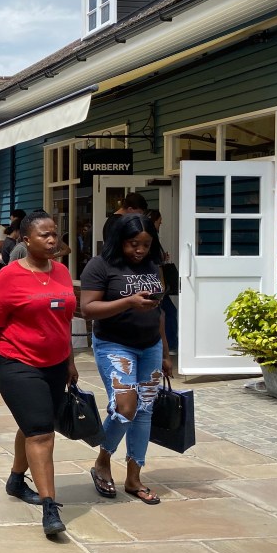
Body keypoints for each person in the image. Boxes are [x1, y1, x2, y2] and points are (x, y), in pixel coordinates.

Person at [0, 210, 78, 537]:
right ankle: (50, 506)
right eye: (44, 235)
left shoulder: (63, 273)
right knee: (42, 432)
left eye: (54, 233)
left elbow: (64, 321)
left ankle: (15, 479)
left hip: (55, 364)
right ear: (26, 240)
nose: (52, 240)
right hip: (17, 362)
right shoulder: (9, 277)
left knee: (33, 424)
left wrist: (70, 361)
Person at [81, 213, 172, 505]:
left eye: (145, 244)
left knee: (144, 409)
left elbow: (159, 311)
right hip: (114, 345)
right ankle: (102, 460)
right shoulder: (100, 265)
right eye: (134, 244)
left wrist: (166, 352)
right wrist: (128, 302)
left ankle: (134, 476)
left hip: (150, 346)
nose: (140, 250)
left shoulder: (152, 265)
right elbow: (89, 309)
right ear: (120, 240)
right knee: (125, 405)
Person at [147, 210, 178, 354]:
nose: (161, 224)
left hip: (153, 283)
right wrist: (162, 285)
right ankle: (170, 344)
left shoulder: (151, 238)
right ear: (154, 221)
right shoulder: (152, 239)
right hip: (156, 283)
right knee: (169, 312)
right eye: (160, 221)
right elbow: (156, 264)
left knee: (163, 313)